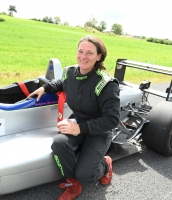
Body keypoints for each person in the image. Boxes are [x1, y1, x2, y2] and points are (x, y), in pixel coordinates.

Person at [27, 35, 120, 200]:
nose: (83, 56)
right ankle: (72, 183)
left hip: (99, 131)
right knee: (59, 143)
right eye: (80, 51)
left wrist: (80, 128)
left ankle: (106, 164)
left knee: (86, 176)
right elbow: (62, 83)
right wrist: (45, 88)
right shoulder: (70, 72)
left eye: (90, 53)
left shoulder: (106, 84)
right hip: (77, 123)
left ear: (99, 57)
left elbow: (112, 120)